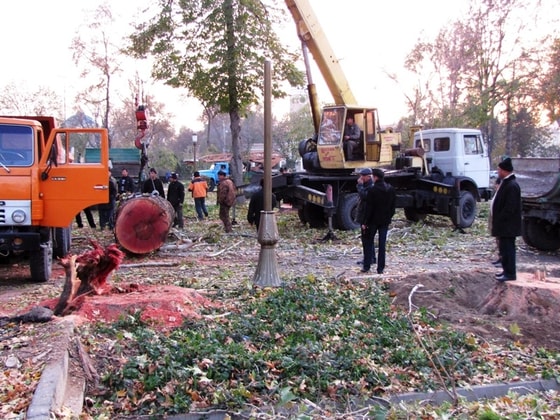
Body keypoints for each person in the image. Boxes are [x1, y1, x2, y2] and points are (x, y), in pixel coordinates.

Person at [491, 157, 522, 282]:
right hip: (504, 225)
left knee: (508, 249)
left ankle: (510, 273)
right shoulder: (506, 183)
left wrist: (500, 219)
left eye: (499, 170)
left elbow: (510, 207)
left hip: (508, 225)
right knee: (504, 249)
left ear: (505, 171)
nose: (498, 172)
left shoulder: (512, 185)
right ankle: (506, 270)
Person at [361, 168, 396, 274]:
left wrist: (365, 222)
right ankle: (380, 268)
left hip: (373, 221)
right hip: (385, 221)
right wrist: (388, 217)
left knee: (368, 242)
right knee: (382, 244)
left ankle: (366, 266)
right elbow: (393, 207)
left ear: (375, 177)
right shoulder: (390, 189)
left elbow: (369, 208)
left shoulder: (373, 190)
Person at [354, 168, 375, 267]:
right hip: (365, 216)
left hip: (367, 218)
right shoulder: (367, 185)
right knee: (368, 239)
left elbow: (364, 196)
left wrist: (360, 185)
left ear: (368, 177)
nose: (360, 178)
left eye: (362, 176)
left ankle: (369, 259)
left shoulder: (371, 187)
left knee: (367, 239)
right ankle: (371, 258)